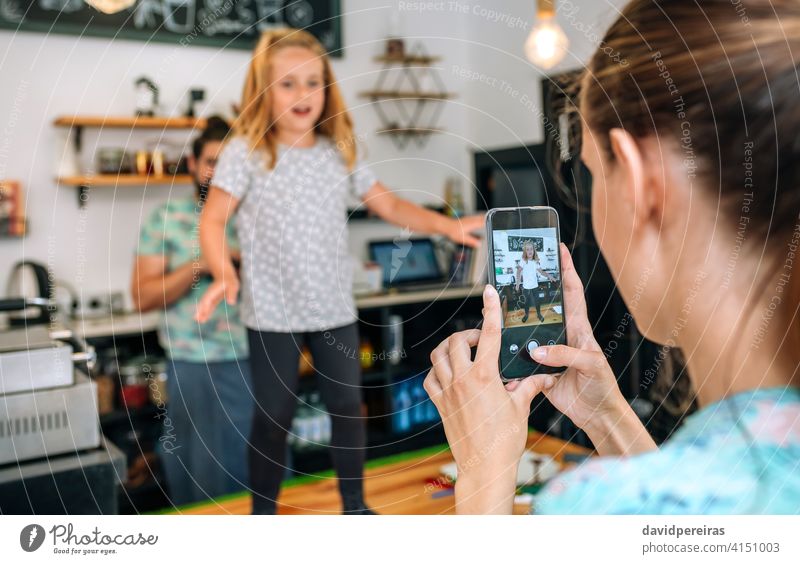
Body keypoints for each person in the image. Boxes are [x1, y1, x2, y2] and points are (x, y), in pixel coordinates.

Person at [424, 0, 800, 514]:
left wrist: (483, 471)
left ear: (643, 185)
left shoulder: (589, 507)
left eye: (593, 175)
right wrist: (606, 416)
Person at [194, 28, 484, 515]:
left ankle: (355, 506)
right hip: (270, 310)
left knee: (347, 409)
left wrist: (446, 225)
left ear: (327, 88)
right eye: (287, 84)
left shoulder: (339, 153)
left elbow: (388, 204)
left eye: (313, 81)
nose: (302, 94)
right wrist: (224, 272)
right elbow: (214, 220)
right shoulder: (246, 153)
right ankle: (261, 514)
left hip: (332, 306)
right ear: (263, 91)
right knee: (275, 417)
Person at [132, 117, 253, 506]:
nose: (219, 173)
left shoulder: (256, 218)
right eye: (212, 161)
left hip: (256, 359)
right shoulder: (166, 218)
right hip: (192, 362)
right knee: (197, 474)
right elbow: (143, 296)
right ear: (192, 164)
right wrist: (208, 262)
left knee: (256, 467)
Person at [515, 240, 557, 323]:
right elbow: (518, 271)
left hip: (535, 286)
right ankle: (526, 315)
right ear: (525, 251)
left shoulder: (535, 262)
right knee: (527, 303)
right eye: (527, 249)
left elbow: (541, 272)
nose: (530, 251)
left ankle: (539, 314)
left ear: (534, 251)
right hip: (526, 287)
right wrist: (517, 283)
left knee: (537, 302)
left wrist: (549, 275)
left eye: (531, 249)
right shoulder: (523, 260)